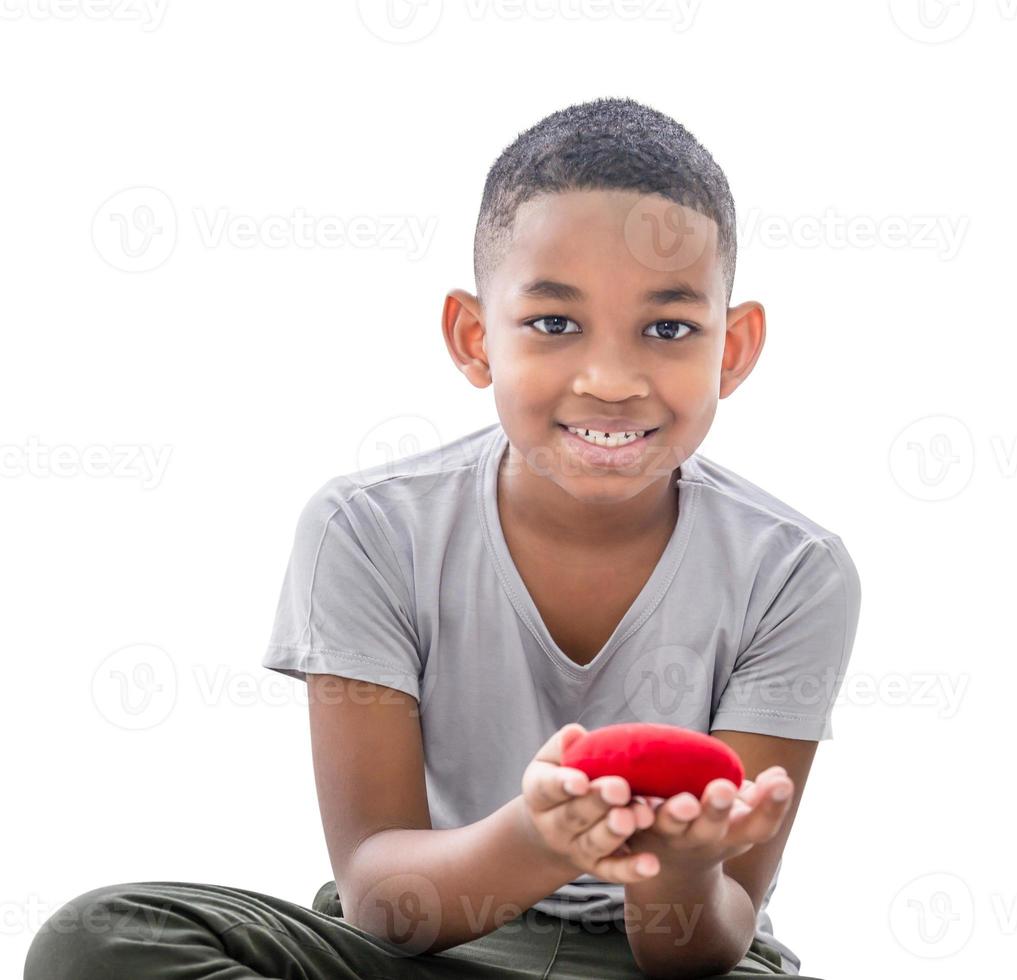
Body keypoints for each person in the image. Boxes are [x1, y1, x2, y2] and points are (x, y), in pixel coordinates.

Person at [25, 95, 862, 980]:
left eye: (667, 329)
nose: (611, 379)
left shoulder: (794, 572)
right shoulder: (370, 530)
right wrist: (536, 838)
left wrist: (683, 867)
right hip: (433, 946)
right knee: (100, 940)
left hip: (665, 966)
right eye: (552, 323)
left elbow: (701, 946)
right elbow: (381, 894)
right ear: (474, 339)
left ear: (731, 349)